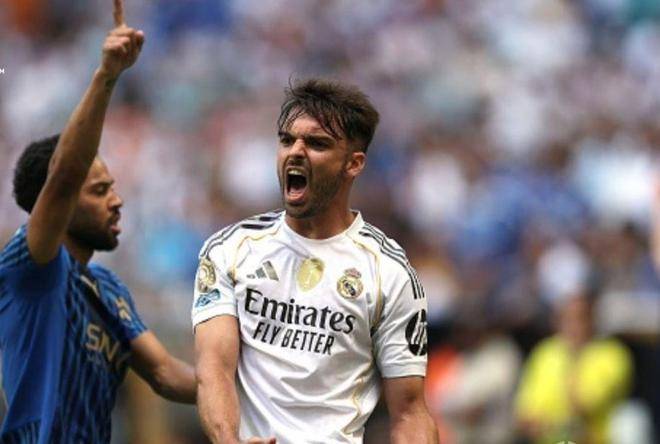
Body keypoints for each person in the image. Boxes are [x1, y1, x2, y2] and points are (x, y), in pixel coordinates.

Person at [193, 79, 438, 444]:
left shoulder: (390, 273)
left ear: (353, 164)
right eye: (286, 140)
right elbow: (213, 370)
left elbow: (409, 412)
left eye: (317, 143)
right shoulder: (229, 250)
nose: (295, 152)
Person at [0, 2, 196, 442]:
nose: (117, 200)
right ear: (62, 203)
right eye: (100, 190)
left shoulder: (109, 291)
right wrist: (107, 75)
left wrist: (250, 387)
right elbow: (66, 174)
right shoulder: (31, 268)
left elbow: (165, 373)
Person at [514, 290, 632, 444]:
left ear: (593, 319)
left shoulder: (612, 353)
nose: (574, 326)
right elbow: (524, 414)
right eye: (567, 319)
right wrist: (540, 427)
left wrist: (574, 358)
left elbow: (582, 407)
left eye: (581, 318)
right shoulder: (545, 352)